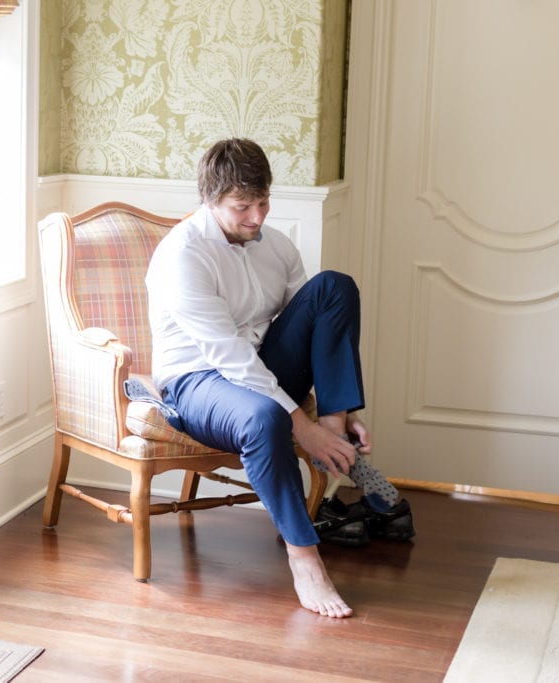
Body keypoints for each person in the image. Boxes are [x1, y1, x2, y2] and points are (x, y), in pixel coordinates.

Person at [146, 138, 412, 618]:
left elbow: (313, 328)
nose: (257, 217)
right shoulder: (182, 255)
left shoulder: (278, 246)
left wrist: (335, 413)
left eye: (263, 202)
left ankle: (336, 432)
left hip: (260, 367)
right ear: (209, 200)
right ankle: (304, 556)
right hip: (196, 382)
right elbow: (226, 356)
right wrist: (301, 428)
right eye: (242, 206)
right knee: (267, 416)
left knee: (333, 287)